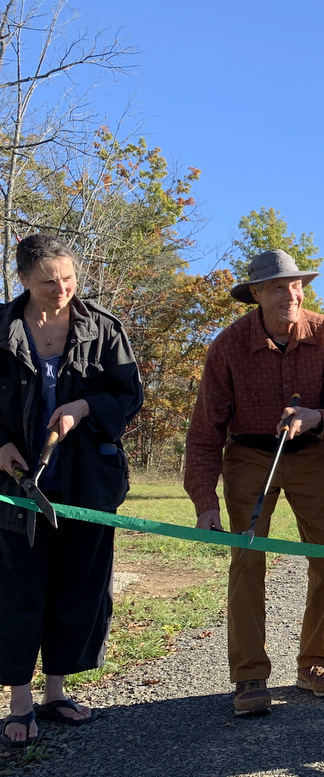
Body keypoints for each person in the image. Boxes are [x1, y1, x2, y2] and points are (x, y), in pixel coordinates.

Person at [185, 250, 324, 717]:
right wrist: (206, 501)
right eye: (279, 288)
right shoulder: (227, 346)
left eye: (297, 285)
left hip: (314, 455)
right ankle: (249, 676)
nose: (291, 294)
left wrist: (317, 418)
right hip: (248, 455)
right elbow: (205, 433)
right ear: (257, 294)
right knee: (247, 562)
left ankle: (315, 666)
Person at [1, 234, 143, 748]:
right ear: (22, 280)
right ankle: (18, 699)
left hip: (87, 480)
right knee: (17, 590)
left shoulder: (104, 328)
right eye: (47, 282)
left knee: (79, 587)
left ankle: (56, 691)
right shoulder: (1, 328)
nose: (61, 289)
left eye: (68, 279)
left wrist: (83, 409)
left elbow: (129, 397)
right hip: (15, 484)